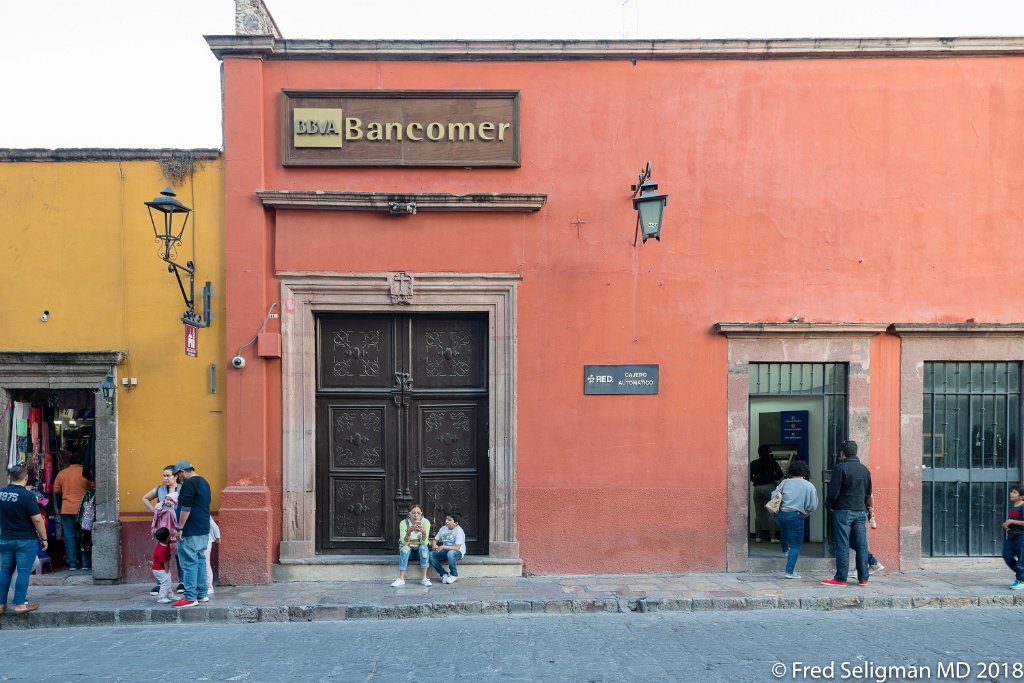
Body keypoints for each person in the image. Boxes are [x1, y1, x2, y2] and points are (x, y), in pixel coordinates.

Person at [820, 440, 872, 586]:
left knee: (842, 544)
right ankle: (863, 578)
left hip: (843, 511)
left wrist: (829, 505)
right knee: (862, 544)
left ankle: (841, 578)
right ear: (855, 452)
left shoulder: (841, 468)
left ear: (842, 453)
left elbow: (833, 491)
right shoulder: (864, 470)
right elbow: (868, 493)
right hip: (861, 511)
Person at [0, 465, 49, 615]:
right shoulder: (27, 496)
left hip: (6, 539)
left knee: (5, 571)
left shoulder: (1, 493)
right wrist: (44, 538)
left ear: (10, 477)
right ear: (26, 478)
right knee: (23, 572)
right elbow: (37, 520)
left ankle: (1, 604)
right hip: (25, 540)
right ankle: (20, 605)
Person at [172, 459, 211, 608]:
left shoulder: (189, 483)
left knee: (189, 563)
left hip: (190, 529)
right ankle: (202, 593)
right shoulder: (204, 482)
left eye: (177, 475)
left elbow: (186, 507)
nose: (177, 478)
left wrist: (180, 527)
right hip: (202, 527)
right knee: (200, 560)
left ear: (182, 472)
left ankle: (189, 597)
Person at [771, 460, 819, 579]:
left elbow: (774, 495)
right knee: (796, 545)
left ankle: (784, 550)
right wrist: (805, 514)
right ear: (805, 472)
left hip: (781, 515)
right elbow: (813, 505)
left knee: (784, 530)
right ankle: (789, 571)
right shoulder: (809, 485)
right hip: (796, 515)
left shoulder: (785, 482)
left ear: (791, 471)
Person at [52, 451, 92, 571]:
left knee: (69, 537)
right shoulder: (86, 473)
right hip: (83, 510)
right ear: (82, 461)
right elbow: (92, 488)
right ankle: (85, 563)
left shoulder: (62, 473)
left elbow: (56, 490)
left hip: (67, 509)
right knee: (83, 536)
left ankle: (72, 564)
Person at [391, 504, 432, 587]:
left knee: (424, 548)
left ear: (422, 514)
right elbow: (404, 543)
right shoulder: (404, 523)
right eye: (413, 513)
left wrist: (424, 533)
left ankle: (424, 578)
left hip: (419, 553)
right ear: (409, 514)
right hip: (408, 552)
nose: (416, 515)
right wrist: (408, 532)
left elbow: (424, 543)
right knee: (405, 549)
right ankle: (401, 579)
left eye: (418, 513)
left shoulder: (426, 523)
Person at [750, 445, 784, 543]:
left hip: (757, 489)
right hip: (770, 488)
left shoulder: (753, 463)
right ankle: (773, 537)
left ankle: (758, 537)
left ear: (758, 452)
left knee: (758, 514)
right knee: (771, 514)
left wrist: (757, 479)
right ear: (769, 452)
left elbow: (749, 476)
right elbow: (780, 474)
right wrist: (772, 478)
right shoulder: (772, 462)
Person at [429, 512, 466, 584]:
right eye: (446, 519)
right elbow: (435, 540)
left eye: (449, 520)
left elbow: (457, 548)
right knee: (431, 554)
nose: (446, 521)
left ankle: (454, 575)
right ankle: (444, 574)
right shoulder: (443, 528)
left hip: (457, 552)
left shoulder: (459, 531)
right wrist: (434, 546)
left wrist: (442, 546)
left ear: (456, 523)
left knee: (451, 553)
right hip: (445, 551)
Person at [1001, 484, 1024, 590]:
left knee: (1021, 559)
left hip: (1022, 536)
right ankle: (1022, 574)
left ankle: (1020, 580)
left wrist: (1011, 521)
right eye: (1011, 491)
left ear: (1021, 496)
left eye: (1014, 492)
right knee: (1006, 555)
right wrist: (1007, 526)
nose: (1011, 493)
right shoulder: (1014, 507)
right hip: (1012, 535)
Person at [151, 527, 175, 604]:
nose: (170, 535)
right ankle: (161, 597)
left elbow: (171, 541)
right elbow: (165, 561)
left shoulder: (164, 542)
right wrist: (167, 570)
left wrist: (178, 540)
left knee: (167, 581)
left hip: (159, 568)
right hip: (159, 569)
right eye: (169, 534)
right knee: (166, 581)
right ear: (167, 537)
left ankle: (170, 595)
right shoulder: (162, 549)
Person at [205, 518, 220, 595]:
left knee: (205, 563)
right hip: (204, 540)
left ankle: (209, 586)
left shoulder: (205, 513)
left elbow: (214, 526)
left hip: (206, 541)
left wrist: (218, 537)